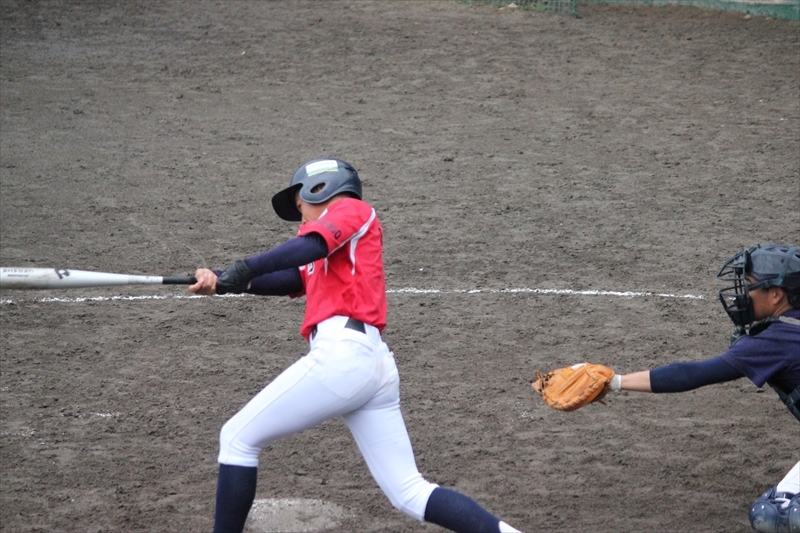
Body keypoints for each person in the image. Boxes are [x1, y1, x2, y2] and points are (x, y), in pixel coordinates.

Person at [189, 158, 523, 533]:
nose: (301, 218)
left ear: (321, 189)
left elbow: (308, 247)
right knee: (410, 491)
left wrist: (246, 266)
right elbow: (288, 278)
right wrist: (221, 280)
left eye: (301, 206)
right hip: (368, 364)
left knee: (237, 438)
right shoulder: (325, 249)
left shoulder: (350, 211)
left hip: (344, 357)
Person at [604, 243, 800, 533]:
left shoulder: (774, 341)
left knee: (774, 515)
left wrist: (614, 382)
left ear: (776, 295)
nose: (741, 294)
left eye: (749, 284)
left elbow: (692, 374)